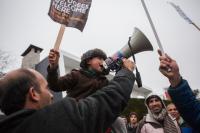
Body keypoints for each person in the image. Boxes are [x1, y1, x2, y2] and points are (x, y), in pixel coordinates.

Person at [0, 58, 135, 133]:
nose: (52, 95)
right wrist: (52, 69)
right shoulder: (76, 74)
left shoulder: (104, 81)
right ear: (33, 94)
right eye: (98, 58)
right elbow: (56, 84)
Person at [158, 50, 200, 132]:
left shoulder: (188, 125)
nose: (173, 111)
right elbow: (194, 112)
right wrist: (175, 79)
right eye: (170, 110)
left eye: (175, 109)